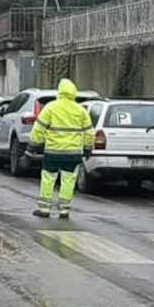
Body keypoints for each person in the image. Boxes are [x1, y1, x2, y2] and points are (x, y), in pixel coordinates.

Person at [29, 79, 94, 219]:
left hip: (53, 151)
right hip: (72, 153)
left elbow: (38, 128)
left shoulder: (51, 108)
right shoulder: (80, 110)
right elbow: (89, 132)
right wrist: (88, 148)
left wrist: (33, 146)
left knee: (48, 178)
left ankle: (44, 209)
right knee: (69, 180)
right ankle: (64, 210)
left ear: (60, 92)